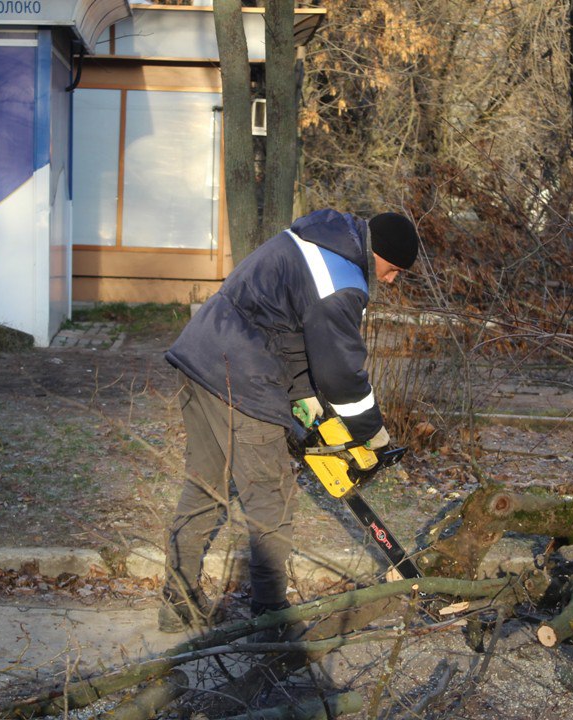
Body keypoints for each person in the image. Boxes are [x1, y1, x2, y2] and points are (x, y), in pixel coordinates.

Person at [158, 209, 421, 632]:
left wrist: (302, 397)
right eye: (393, 271)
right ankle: (271, 619)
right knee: (271, 499)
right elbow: (341, 374)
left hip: (199, 356)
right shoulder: (343, 283)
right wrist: (370, 430)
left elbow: (287, 328)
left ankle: (178, 602)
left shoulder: (317, 239)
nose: (390, 281)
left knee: (204, 487)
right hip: (242, 375)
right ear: (379, 254)